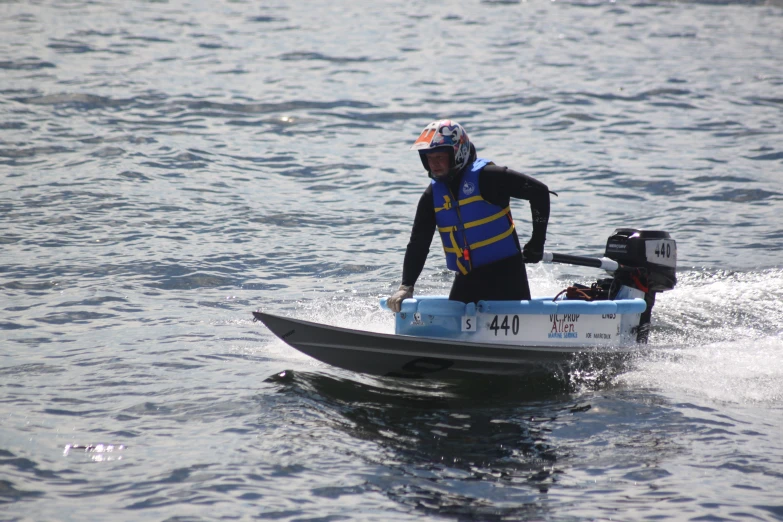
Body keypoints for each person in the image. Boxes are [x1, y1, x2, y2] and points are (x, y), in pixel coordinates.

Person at [386, 119, 552, 312]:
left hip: (507, 275)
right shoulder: (431, 196)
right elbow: (418, 243)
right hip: (467, 278)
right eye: (429, 158)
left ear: (457, 153)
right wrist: (406, 287)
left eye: (439, 157)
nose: (434, 164)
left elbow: (539, 192)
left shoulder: (488, 177)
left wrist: (537, 243)